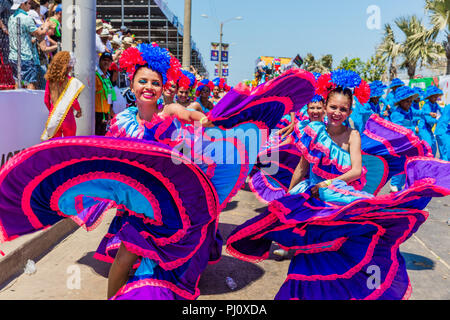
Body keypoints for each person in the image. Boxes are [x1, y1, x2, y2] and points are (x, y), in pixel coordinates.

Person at [0, 45, 319, 300]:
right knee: (125, 257)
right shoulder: (122, 120)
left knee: (160, 264)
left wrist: (209, 122)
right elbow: (110, 159)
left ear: (162, 86)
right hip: (133, 207)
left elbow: (196, 118)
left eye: (155, 82)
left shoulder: (169, 112)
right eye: (143, 81)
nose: (149, 87)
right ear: (133, 84)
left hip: (168, 210)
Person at [225, 70, 447, 300]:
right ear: (324, 106)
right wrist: (288, 196)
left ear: (350, 111)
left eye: (343, 109)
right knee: (308, 251)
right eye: (333, 107)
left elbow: (356, 171)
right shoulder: (312, 131)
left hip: (339, 195)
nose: (337, 113)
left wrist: (328, 183)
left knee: (349, 246)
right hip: (311, 196)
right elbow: (302, 168)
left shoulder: (353, 135)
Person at [7, 0, 51, 89]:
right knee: (31, 83)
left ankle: (18, 101)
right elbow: (39, 36)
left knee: (18, 81)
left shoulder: (11, 17)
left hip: (13, 56)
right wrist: (46, 26)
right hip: (25, 56)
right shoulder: (26, 18)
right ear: (23, 4)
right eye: (29, 3)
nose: (30, 5)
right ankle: (29, 102)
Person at [41, 51, 84, 140]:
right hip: (68, 118)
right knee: (69, 146)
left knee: (55, 146)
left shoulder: (50, 80)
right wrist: (79, 110)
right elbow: (74, 101)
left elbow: (46, 100)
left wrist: (53, 110)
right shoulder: (71, 81)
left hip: (54, 118)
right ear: (69, 66)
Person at [95, 51, 116, 135]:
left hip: (105, 114)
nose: (106, 62)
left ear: (111, 63)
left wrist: (110, 113)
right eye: (104, 60)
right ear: (100, 61)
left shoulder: (107, 77)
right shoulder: (96, 76)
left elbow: (109, 97)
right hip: (96, 115)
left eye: (108, 60)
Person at [419, 85, 443, 157]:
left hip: (429, 129)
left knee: (434, 145)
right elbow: (429, 120)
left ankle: (432, 160)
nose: (436, 98)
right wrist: (439, 121)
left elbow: (442, 111)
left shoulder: (435, 104)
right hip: (423, 128)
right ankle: (425, 162)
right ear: (429, 97)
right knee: (428, 145)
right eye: (434, 96)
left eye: (437, 96)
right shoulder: (426, 106)